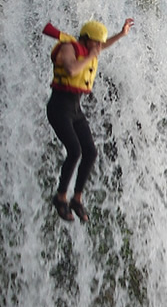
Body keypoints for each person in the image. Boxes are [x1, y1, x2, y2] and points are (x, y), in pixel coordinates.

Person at [44, 17, 134, 222]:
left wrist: (121, 34)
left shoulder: (91, 47)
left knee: (90, 152)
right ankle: (60, 198)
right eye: (96, 43)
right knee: (75, 151)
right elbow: (71, 70)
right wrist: (90, 56)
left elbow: (102, 46)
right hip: (59, 107)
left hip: (75, 108)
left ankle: (77, 198)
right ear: (86, 39)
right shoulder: (68, 48)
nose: (99, 47)